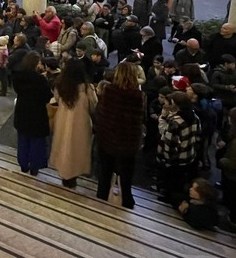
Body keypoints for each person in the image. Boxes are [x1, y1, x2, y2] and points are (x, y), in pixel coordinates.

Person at [95, 62, 145, 209]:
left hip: (107, 137)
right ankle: (127, 201)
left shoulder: (109, 90)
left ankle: (101, 197)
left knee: (104, 171)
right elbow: (141, 118)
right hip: (128, 141)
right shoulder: (138, 96)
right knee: (126, 174)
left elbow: (102, 113)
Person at [49, 58, 98, 188]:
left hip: (63, 119)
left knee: (63, 145)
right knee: (77, 148)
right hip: (81, 121)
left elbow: (57, 99)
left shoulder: (60, 84)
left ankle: (64, 174)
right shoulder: (87, 88)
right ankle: (73, 176)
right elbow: (93, 106)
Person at [12, 51, 54, 175]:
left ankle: (23, 165)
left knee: (23, 141)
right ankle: (34, 168)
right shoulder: (40, 80)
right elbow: (47, 97)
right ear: (36, 64)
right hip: (37, 114)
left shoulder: (17, 76)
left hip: (22, 111)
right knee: (36, 143)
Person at [156, 92, 201, 207]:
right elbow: (198, 136)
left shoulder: (175, 122)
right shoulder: (195, 117)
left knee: (172, 180)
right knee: (180, 181)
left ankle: (170, 198)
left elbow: (169, 143)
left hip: (175, 159)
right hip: (189, 155)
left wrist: (167, 159)